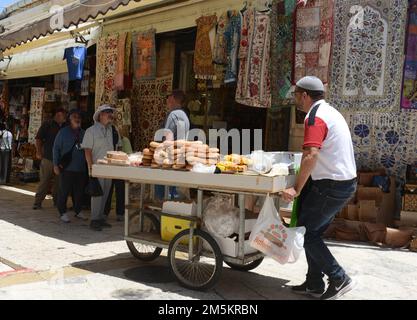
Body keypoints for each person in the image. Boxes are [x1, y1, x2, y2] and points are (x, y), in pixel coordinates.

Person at [282, 76, 357, 300]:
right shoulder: (331, 112)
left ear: (305, 95)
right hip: (341, 183)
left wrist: (295, 188)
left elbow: (311, 155)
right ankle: (314, 283)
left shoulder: (314, 118)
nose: (297, 100)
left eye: (297, 96)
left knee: (306, 233)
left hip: (332, 185)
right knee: (310, 229)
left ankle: (339, 277)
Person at [82, 105, 121, 231]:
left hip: (109, 167)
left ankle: (100, 218)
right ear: (100, 115)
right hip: (97, 166)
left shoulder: (112, 130)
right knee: (97, 194)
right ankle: (94, 219)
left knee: (106, 193)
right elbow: (87, 150)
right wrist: (90, 167)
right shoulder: (91, 131)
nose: (110, 114)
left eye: (111, 112)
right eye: (107, 112)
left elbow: (117, 147)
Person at [53, 109, 88, 223]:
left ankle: (78, 211)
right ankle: (62, 212)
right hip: (67, 168)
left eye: (79, 117)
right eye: (74, 117)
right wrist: (55, 165)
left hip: (81, 168)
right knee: (64, 190)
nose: (77, 119)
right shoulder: (63, 132)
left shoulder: (84, 133)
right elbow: (56, 149)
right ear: (70, 119)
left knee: (79, 191)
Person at [155, 90, 191, 200]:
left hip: (169, 160)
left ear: (172, 98)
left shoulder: (173, 114)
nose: (167, 100)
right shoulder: (184, 115)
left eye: (168, 97)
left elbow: (168, 140)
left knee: (163, 195)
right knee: (173, 195)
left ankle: (162, 212)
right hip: (179, 159)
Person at [33, 108, 67, 210]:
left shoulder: (66, 126)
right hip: (48, 157)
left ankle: (57, 202)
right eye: (63, 115)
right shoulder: (47, 124)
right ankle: (37, 202)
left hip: (61, 159)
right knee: (44, 181)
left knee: (59, 183)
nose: (65, 117)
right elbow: (38, 139)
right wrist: (38, 152)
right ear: (57, 115)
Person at [104, 126, 132, 222]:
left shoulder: (121, 138)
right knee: (108, 189)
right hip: (111, 166)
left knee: (119, 190)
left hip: (119, 167)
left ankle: (119, 213)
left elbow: (127, 152)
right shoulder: (105, 133)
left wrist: (118, 156)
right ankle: (106, 212)